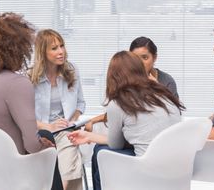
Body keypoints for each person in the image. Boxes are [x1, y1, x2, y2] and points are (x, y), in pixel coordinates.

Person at [0, 13, 63, 190]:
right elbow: (31, 145)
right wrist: (44, 146)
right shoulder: (17, 83)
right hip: (10, 171)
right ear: (16, 49)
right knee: (46, 141)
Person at [67, 51, 184, 190]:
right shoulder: (164, 95)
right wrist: (89, 136)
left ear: (113, 77)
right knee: (102, 150)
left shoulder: (118, 104)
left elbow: (116, 144)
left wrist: (90, 137)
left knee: (99, 152)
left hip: (148, 171)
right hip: (177, 169)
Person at [29, 29, 85, 190]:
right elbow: (24, 116)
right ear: (42, 52)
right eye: (54, 48)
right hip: (41, 131)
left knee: (69, 144)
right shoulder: (29, 77)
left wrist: (71, 121)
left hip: (66, 129)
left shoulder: (72, 70)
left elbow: (81, 104)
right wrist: (49, 127)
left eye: (62, 46)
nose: (61, 52)